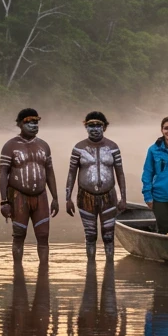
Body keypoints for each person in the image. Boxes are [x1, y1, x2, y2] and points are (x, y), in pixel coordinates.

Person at [0, 108, 59, 263]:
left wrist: (55, 198)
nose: (34, 126)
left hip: (41, 196)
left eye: (36, 122)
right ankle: (17, 272)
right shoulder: (10, 146)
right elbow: (3, 174)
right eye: (29, 123)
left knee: (43, 236)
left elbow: (50, 173)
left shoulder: (44, 146)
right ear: (19, 124)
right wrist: (4, 201)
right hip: (19, 196)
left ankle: (44, 272)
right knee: (19, 235)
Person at [65, 111, 127, 259]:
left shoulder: (113, 147)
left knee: (108, 235)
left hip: (109, 197)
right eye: (91, 125)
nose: (95, 129)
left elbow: (120, 174)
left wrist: (123, 198)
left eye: (98, 125)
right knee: (90, 235)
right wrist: (68, 199)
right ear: (86, 127)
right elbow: (71, 174)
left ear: (104, 127)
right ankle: (91, 269)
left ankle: (109, 268)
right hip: (85, 197)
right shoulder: (79, 148)